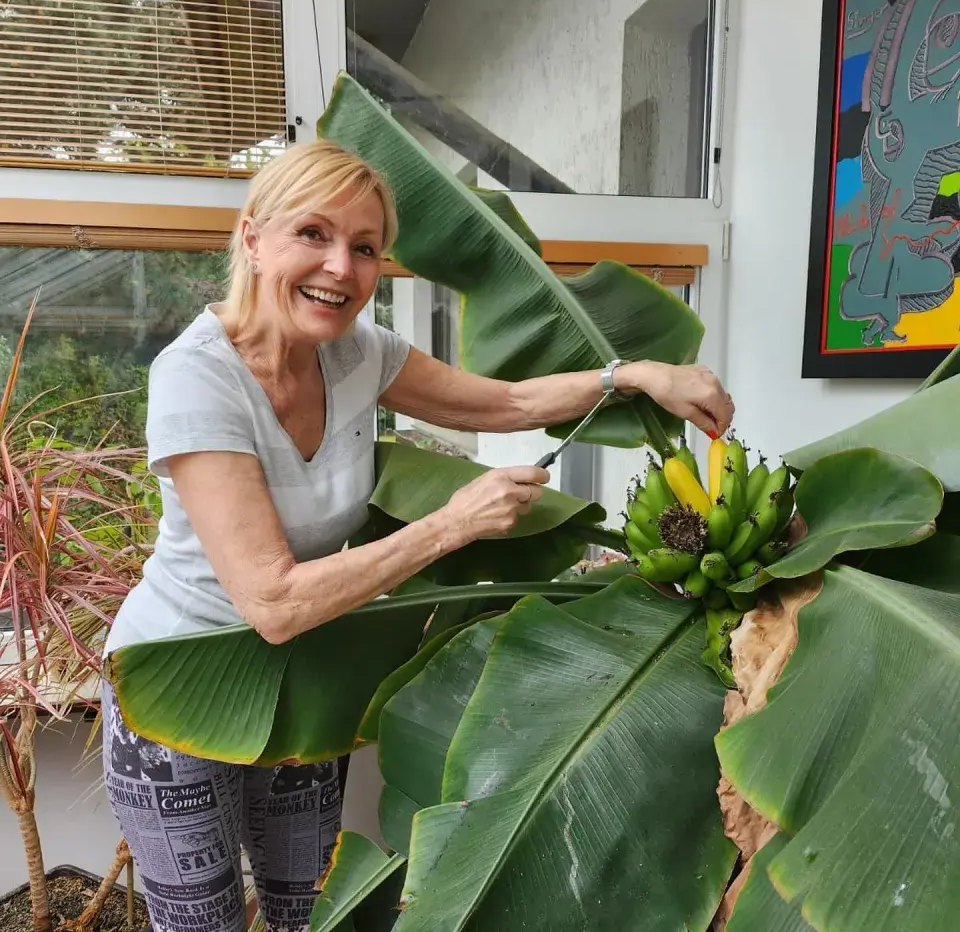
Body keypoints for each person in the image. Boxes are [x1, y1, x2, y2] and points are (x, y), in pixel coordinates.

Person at [100, 139, 735, 932]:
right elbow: (271, 600)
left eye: (365, 248)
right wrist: (450, 525)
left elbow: (503, 403)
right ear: (254, 238)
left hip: (308, 679)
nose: (341, 267)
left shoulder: (356, 353)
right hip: (185, 685)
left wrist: (633, 376)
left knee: (308, 914)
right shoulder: (196, 376)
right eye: (314, 234)